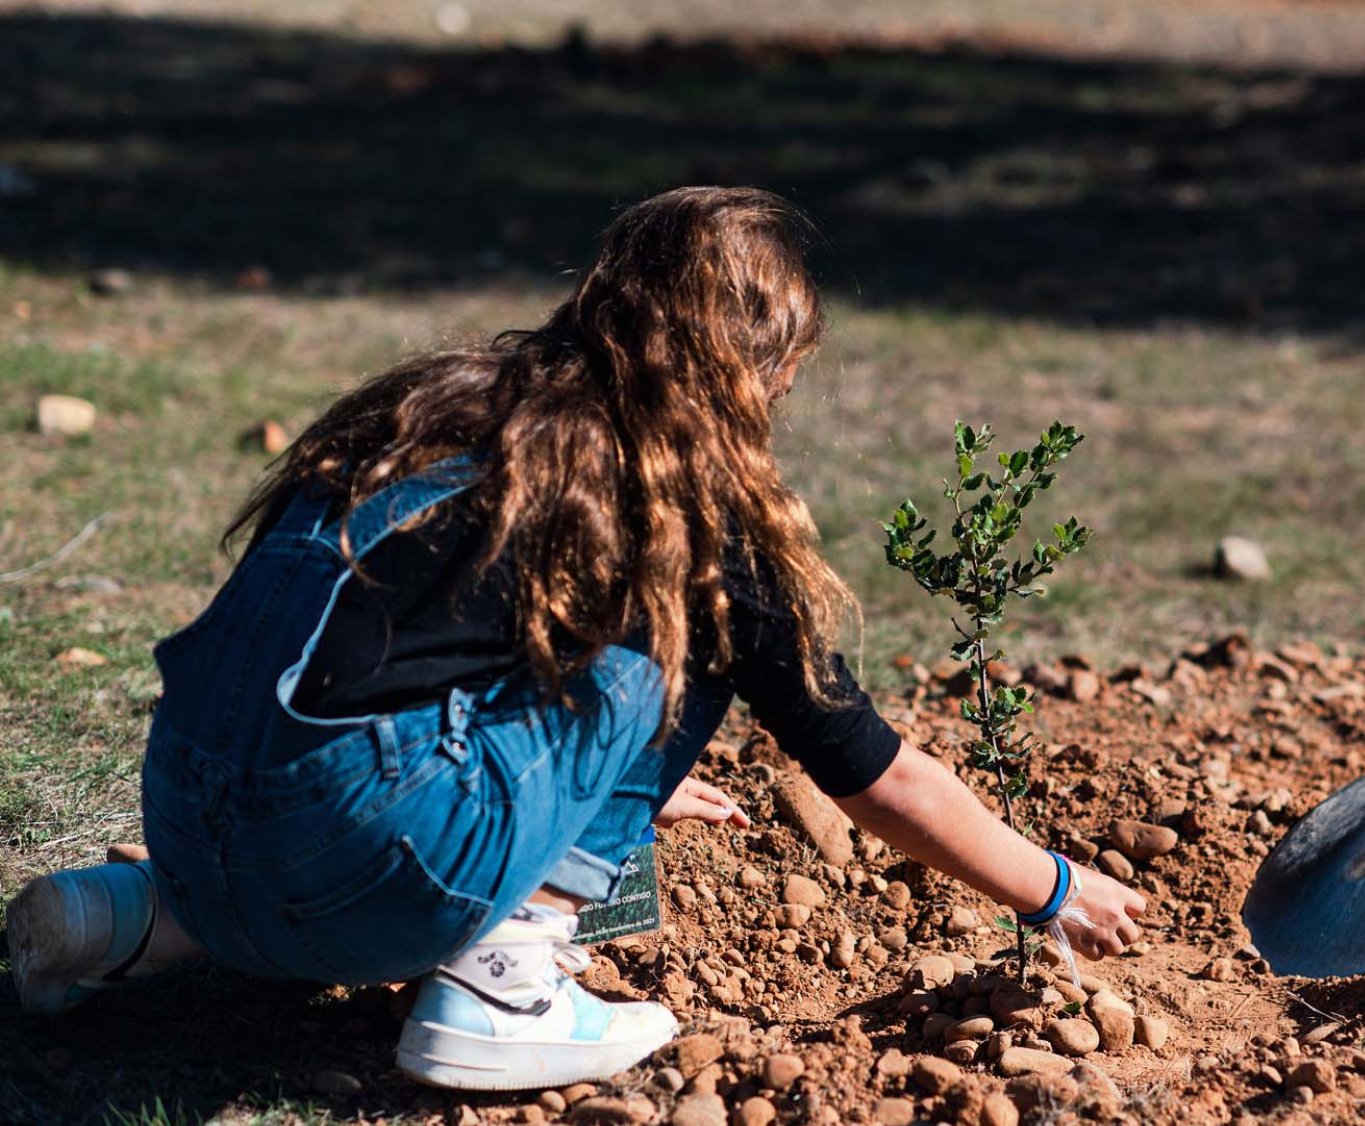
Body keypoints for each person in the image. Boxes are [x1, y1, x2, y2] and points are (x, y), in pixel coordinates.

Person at [6, 187, 1147, 1091]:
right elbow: (872, 771)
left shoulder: (433, 409)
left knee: (305, 793)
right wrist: (1051, 887)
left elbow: (397, 657)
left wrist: (591, 781)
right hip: (356, 856)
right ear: (755, 365)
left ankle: (135, 918)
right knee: (688, 621)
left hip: (188, 810)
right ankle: (506, 986)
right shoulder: (687, 509)